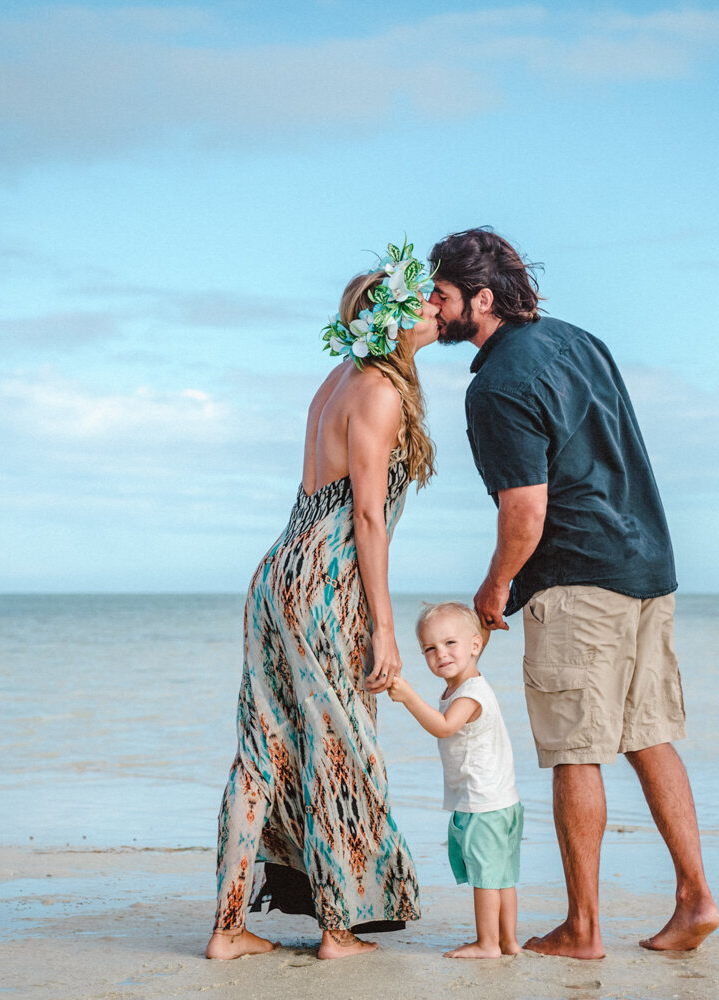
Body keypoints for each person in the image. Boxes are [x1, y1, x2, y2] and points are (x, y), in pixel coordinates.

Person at [427, 227, 719, 960]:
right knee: (648, 734)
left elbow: (524, 511)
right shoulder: (580, 340)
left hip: (579, 579)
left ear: (482, 300)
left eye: (442, 295)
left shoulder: (495, 385)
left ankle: (582, 928)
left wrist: (494, 588)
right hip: (648, 565)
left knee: (573, 751)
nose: (431, 307)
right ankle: (695, 898)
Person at [206, 241, 438, 961]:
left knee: (263, 748)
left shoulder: (334, 380)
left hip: (279, 567)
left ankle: (227, 930)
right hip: (326, 578)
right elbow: (367, 517)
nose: (436, 308)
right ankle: (338, 931)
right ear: (393, 318)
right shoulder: (381, 391)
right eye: (423, 301)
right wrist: (386, 628)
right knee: (338, 744)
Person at [387, 602, 523, 959]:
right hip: (501, 800)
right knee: (502, 876)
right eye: (430, 649)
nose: (441, 654)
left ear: (474, 646)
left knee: (486, 878)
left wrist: (408, 697)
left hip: (484, 803)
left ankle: (488, 943)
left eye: (450, 643)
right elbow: (471, 644)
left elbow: (444, 727)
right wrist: (482, 628)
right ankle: (508, 941)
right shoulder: (465, 683)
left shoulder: (470, 694)